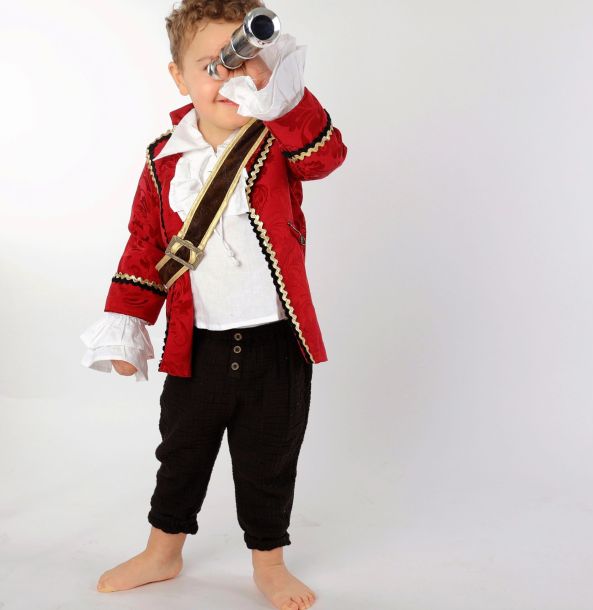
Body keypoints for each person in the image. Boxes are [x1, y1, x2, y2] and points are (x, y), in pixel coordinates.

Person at [79, 1, 347, 609]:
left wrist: (279, 95)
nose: (229, 78)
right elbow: (145, 245)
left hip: (276, 343)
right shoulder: (163, 160)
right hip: (194, 342)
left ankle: (269, 563)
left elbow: (325, 157)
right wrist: (127, 322)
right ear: (177, 77)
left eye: (242, 62)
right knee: (181, 453)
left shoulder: (277, 140)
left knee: (269, 458)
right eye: (211, 66)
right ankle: (163, 551)